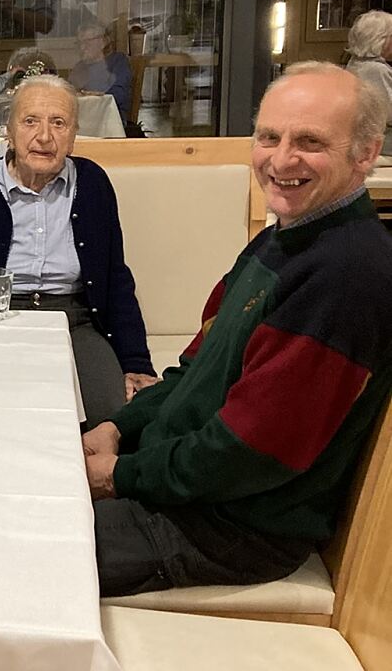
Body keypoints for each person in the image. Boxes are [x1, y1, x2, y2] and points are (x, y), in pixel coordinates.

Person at [85, 63, 392, 597]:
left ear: (365, 153)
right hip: (180, 484)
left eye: (310, 141)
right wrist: (119, 426)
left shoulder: (348, 276)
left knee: (2, 549)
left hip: (225, 530)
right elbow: (194, 370)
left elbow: (245, 455)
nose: (281, 159)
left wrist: (119, 475)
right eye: (269, 136)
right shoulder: (286, 238)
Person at [0, 75, 155, 425]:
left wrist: (136, 361)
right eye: (30, 121)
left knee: (110, 418)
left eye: (58, 123)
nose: (44, 136)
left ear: (74, 135)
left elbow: (115, 279)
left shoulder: (93, 184)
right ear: (10, 129)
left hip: (74, 321)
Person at [344, 9, 392, 154]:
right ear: (380, 39)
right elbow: (387, 114)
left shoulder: (356, 63)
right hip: (378, 140)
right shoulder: (375, 70)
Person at [68, 21, 133, 124]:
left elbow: (120, 95)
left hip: (108, 121)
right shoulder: (79, 67)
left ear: (103, 42)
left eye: (87, 42)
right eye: (79, 43)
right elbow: (68, 91)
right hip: (81, 119)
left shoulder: (117, 62)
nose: (82, 47)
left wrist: (99, 97)